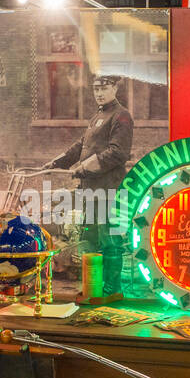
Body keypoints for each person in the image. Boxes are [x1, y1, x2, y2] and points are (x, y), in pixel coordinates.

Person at [46, 74, 134, 296]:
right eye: (96, 89)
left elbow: (118, 153)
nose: (99, 93)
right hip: (92, 191)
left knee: (109, 240)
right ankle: (94, 287)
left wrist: (84, 168)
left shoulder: (121, 116)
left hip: (108, 191)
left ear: (115, 88)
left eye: (104, 89)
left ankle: (112, 289)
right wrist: (59, 162)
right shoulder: (98, 115)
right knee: (91, 239)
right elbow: (82, 145)